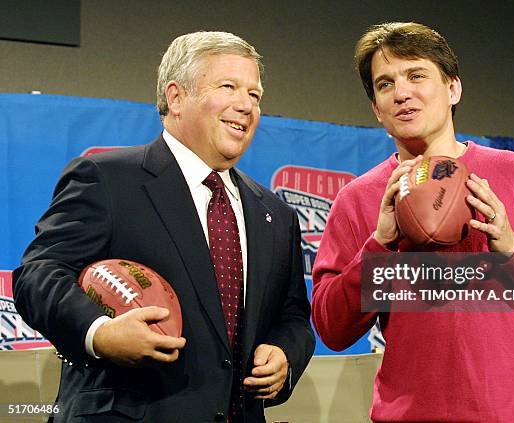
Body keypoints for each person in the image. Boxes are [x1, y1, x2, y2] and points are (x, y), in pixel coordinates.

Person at [13, 31, 314, 423]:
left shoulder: (274, 213)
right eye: (229, 87)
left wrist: (284, 354)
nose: (246, 105)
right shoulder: (108, 179)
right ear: (176, 97)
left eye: (254, 95)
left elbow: (293, 316)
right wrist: (100, 333)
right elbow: (38, 275)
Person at [311, 22, 514, 422]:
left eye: (416, 75)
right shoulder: (360, 199)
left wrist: (513, 250)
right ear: (376, 108)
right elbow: (331, 329)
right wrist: (378, 245)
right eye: (385, 84)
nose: (402, 92)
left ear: (452, 89)